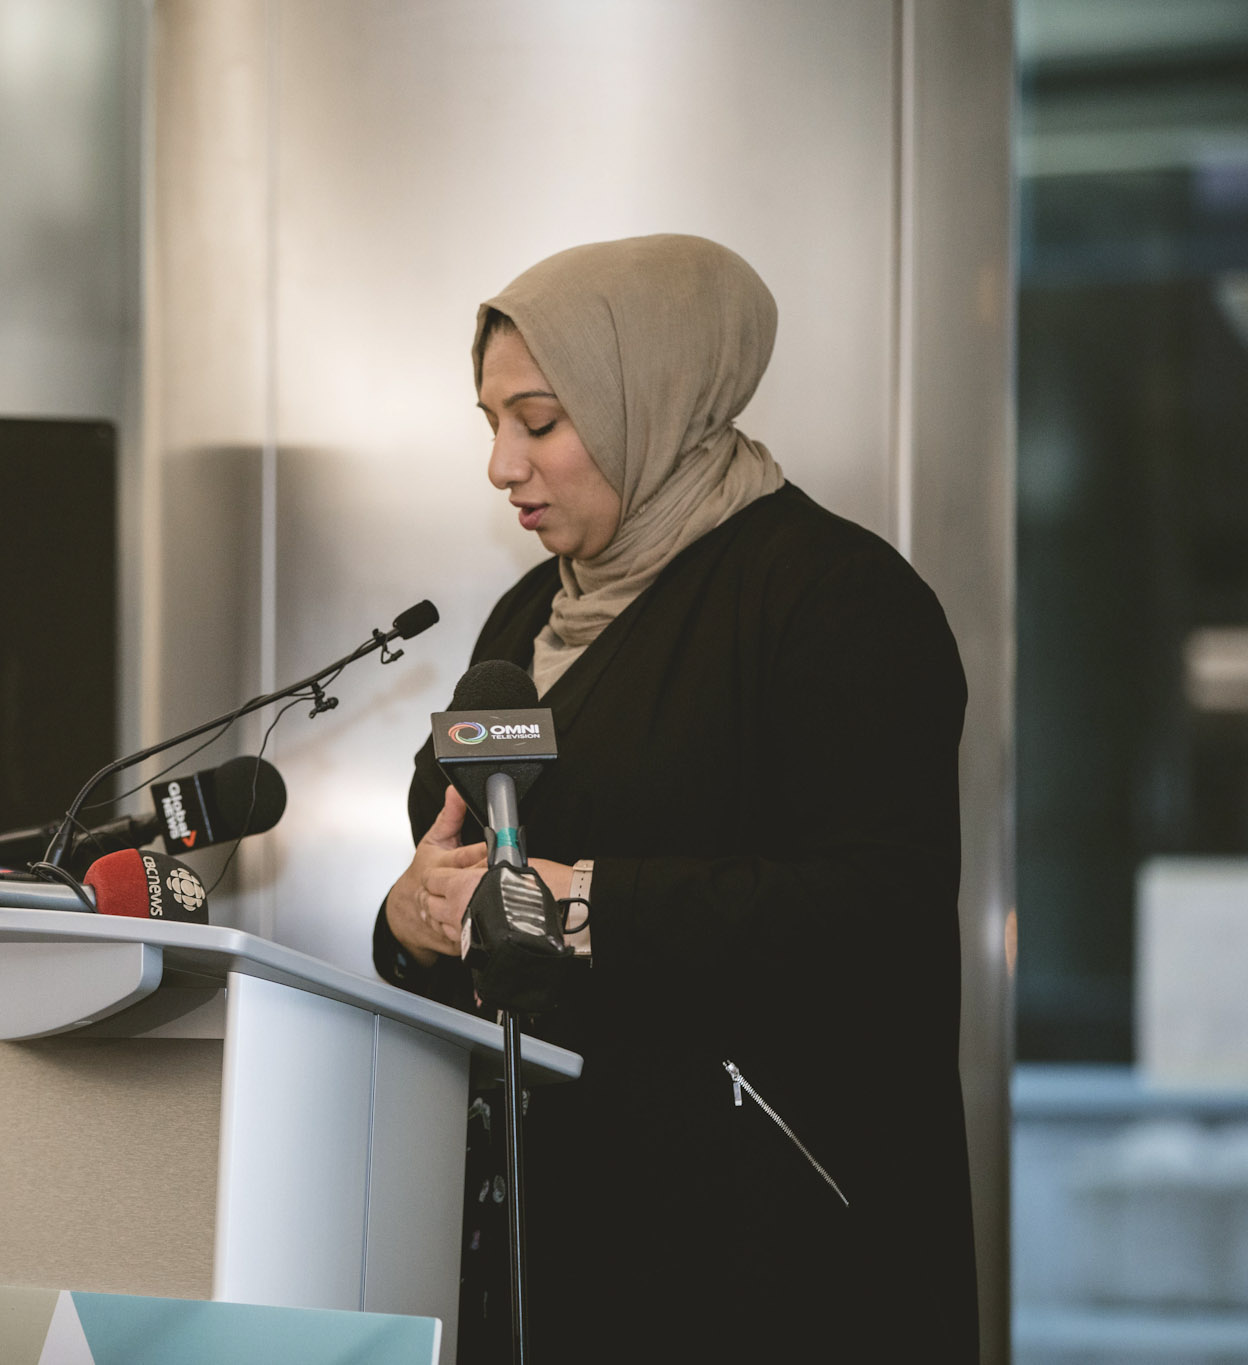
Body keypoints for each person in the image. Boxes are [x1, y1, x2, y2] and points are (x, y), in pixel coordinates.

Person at [371, 235, 979, 1362]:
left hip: (768, 1262)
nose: (502, 465)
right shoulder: (524, 623)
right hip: (549, 1247)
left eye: (538, 421)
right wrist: (410, 919)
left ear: (648, 395)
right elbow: (459, 859)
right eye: (490, 423)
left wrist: (588, 906)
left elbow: (875, 909)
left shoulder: (835, 601)